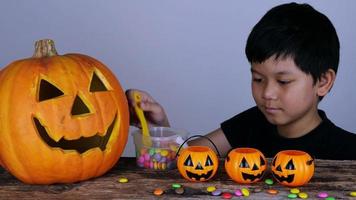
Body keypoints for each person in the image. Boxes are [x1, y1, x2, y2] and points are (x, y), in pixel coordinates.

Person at [126, 2, 356, 160]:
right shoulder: (250, 124)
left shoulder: (347, 150)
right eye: (258, 78)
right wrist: (160, 129)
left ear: (323, 81)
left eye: (283, 81)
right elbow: (185, 159)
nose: (267, 93)